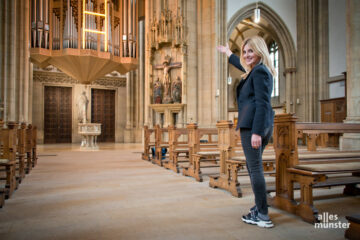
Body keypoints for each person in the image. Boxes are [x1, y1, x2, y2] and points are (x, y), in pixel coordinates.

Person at [217, 36, 276, 228]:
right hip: (258, 125)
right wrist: (229, 54)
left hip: (253, 126)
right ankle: (260, 208)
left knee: (255, 169)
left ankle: (263, 215)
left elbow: (262, 103)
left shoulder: (259, 72)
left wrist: (257, 132)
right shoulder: (257, 71)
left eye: (251, 51)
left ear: (260, 51)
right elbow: (244, 66)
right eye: (244, 51)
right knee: (253, 168)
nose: (246, 55)